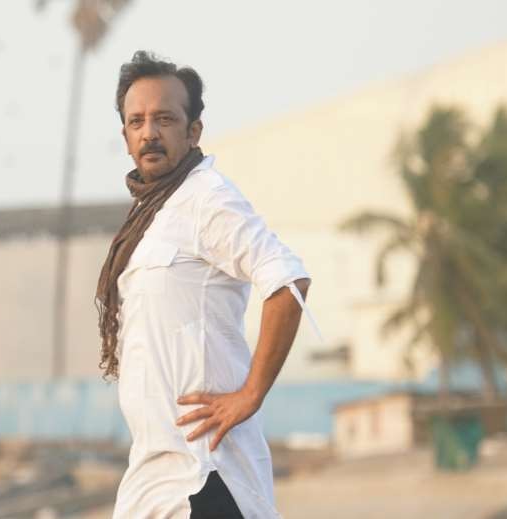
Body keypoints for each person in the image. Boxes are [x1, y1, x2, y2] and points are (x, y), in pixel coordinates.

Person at [95, 50, 322, 519]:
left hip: (206, 473)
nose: (149, 132)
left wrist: (250, 394)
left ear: (193, 130)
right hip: (153, 472)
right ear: (125, 137)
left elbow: (287, 280)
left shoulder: (207, 198)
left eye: (164, 119)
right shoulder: (150, 216)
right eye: (137, 121)